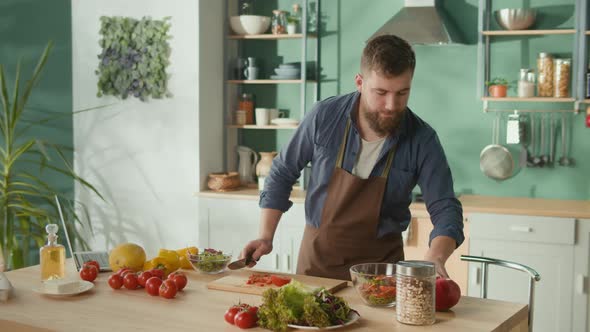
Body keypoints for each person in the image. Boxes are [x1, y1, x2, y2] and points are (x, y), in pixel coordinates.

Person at [240, 34, 464, 280]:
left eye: (402, 93)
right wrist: (265, 236)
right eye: (381, 92)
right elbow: (283, 173)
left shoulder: (422, 139)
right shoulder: (324, 116)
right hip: (318, 268)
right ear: (360, 82)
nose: (391, 104)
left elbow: (445, 208)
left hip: (382, 274)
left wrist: (436, 256)